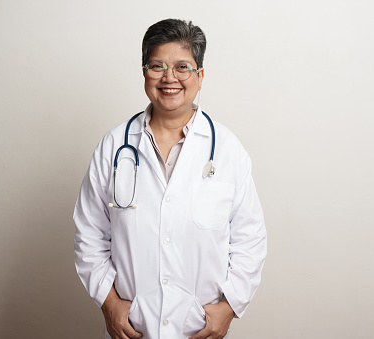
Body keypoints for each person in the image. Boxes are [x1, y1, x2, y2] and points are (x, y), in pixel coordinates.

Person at [74, 18, 267, 339]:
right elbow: (89, 234)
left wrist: (228, 309)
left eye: (183, 67)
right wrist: (110, 305)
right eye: (157, 65)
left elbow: (250, 239)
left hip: (199, 328)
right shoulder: (114, 146)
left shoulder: (227, 149)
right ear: (144, 72)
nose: (169, 77)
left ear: (200, 76)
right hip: (132, 326)